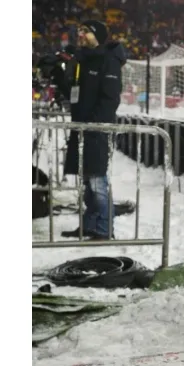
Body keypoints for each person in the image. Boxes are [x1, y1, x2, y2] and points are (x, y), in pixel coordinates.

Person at [55, 20, 126, 240]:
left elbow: (109, 99)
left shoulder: (109, 60)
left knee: (97, 182)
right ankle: (89, 226)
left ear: (97, 35)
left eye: (85, 31)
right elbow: (75, 94)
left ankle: (104, 229)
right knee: (87, 183)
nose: (80, 34)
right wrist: (58, 75)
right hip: (82, 129)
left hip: (95, 129)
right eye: (80, 30)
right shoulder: (83, 60)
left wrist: (92, 125)